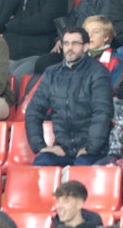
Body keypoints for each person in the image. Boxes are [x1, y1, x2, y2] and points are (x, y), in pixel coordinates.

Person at [26, 27, 114, 165]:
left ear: (86, 46)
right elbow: (33, 111)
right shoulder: (52, 73)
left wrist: (91, 148)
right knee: (42, 162)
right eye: (66, 43)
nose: (69, 48)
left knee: (81, 167)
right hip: (62, 149)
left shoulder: (98, 72)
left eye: (75, 43)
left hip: (93, 151)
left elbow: (102, 113)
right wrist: (41, 147)